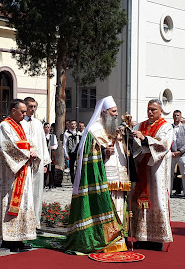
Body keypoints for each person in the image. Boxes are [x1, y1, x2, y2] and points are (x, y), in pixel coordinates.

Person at [65, 96, 125, 253]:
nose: (116, 114)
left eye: (116, 111)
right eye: (113, 111)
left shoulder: (109, 128)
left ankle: (117, 236)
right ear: (104, 112)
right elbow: (87, 155)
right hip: (100, 178)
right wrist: (105, 152)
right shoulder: (94, 130)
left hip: (116, 177)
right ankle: (101, 238)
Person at [0, 99, 39, 252]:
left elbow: (28, 143)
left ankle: (19, 238)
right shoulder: (5, 126)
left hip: (22, 170)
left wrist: (33, 151)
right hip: (9, 172)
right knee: (9, 202)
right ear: (13, 110)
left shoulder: (19, 126)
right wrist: (26, 154)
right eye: (22, 112)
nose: (25, 115)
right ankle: (8, 240)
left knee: (22, 202)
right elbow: (6, 146)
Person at [131, 99, 174, 251]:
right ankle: (141, 237)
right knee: (139, 202)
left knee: (157, 200)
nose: (150, 112)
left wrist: (144, 139)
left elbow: (164, 144)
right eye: (149, 109)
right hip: (142, 167)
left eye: (153, 110)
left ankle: (157, 240)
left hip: (156, 169)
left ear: (161, 111)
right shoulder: (140, 125)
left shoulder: (166, 126)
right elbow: (133, 143)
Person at [20, 97, 50, 231]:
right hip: (24, 163)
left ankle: (36, 221)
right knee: (25, 192)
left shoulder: (38, 123)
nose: (32, 109)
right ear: (25, 107)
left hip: (37, 164)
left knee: (37, 193)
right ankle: (24, 221)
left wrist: (44, 162)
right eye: (30, 106)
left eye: (34, 107)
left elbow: (43, 143)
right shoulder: (20, 123)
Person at [170, 110, 185, 199]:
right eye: (175, 115)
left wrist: (180, 151)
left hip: (182, 154)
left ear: (180, 116)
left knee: (184, 173)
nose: (176, 117)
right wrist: (170, 151)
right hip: (171, 153)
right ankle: (169, 191)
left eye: (178, 115)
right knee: (170, 174)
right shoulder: (169, 127)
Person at [44, 122, 57, 189]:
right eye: (46, 127)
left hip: (51, 153)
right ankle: (44, 183)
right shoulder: (42, 136)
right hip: (44, 154)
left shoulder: (52, 136)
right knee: (44, 168)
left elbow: (56, 145)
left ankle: (51, 184)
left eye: (48, 127)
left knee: (52, 169)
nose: (47, 129)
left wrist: (53, 147)